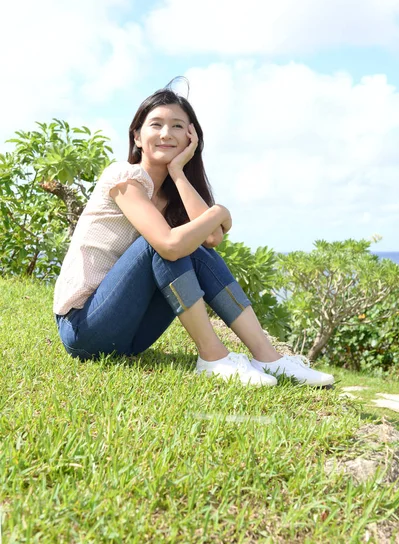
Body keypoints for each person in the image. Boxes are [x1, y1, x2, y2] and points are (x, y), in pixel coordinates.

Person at [53, 81, 334, 387]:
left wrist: (178, 172)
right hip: (84, 328)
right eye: (156, 124)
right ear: (136, 135)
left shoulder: (173, 194)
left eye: (177, 126)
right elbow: (170, 245)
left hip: (130, 338)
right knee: (162, 245)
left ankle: (269, 357)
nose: (166, 134)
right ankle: (213, 356)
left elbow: (210, 240)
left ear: (191, 137)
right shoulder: (123, 178)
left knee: (192, 247)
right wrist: (218, 212)